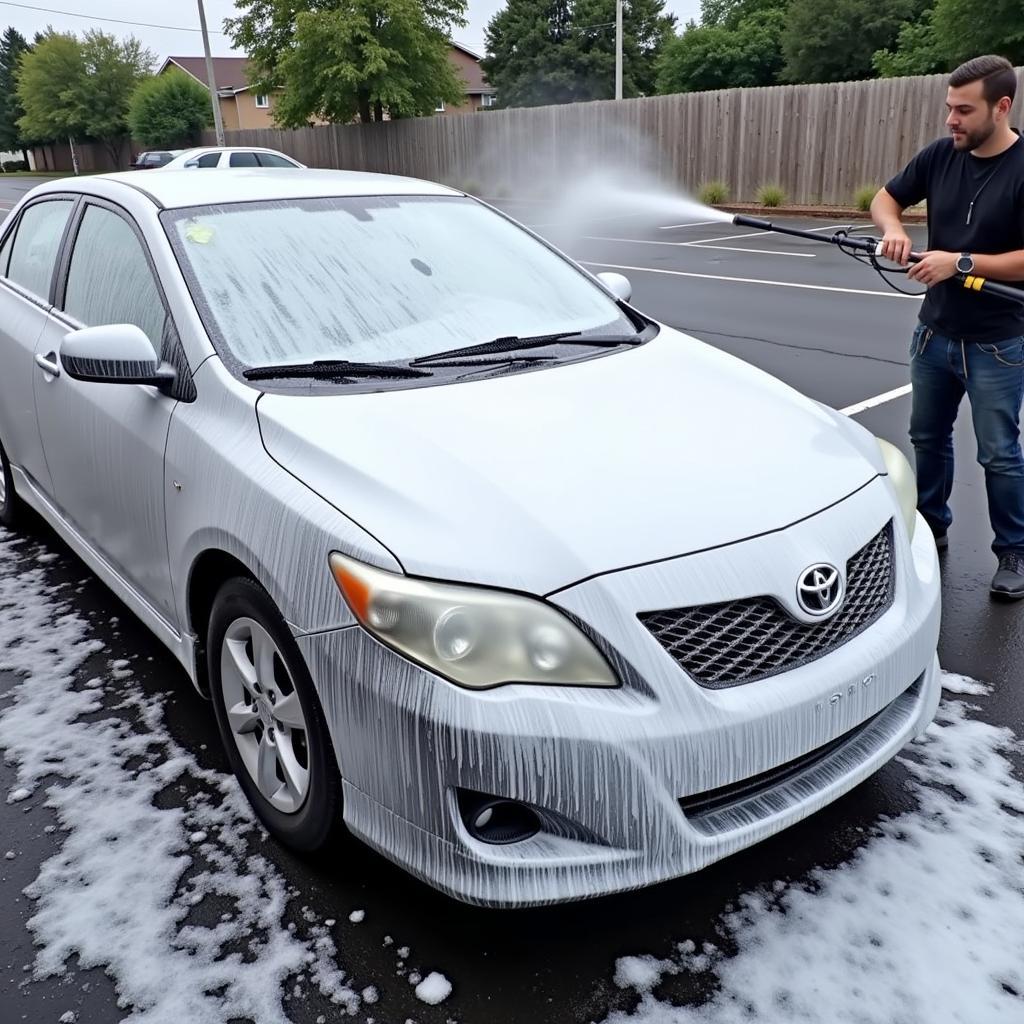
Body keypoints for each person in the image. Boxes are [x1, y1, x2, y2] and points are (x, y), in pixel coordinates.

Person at [871, 54, 1024, 599]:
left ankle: (1015, 551)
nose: (951, 121)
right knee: (927, 437)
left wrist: (958, 262)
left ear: (1001, 107)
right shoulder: (940, 156)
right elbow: (886, 199)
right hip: (934, 332)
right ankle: (932, 524)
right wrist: (891, 229)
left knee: (999, 453)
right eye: (948, 109)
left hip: (1000, 341)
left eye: (964, 110)